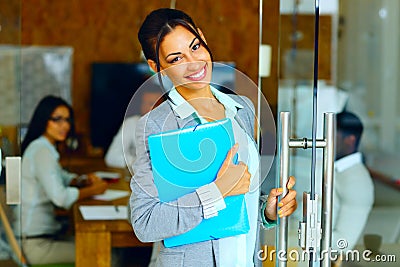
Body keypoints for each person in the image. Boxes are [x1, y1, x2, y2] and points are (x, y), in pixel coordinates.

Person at [129, 8, 297, 266]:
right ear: (156, 67)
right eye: (176, 59)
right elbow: (145, 223)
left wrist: (266, 210)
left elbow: (241, 198)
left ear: (203, 37)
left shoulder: (241, 108)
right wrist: (217, 191)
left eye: (195, 47)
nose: (193, 63)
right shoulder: (156, 125)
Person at [15, 95, 108, 265]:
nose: (64, 125)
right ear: (44, 120)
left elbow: (58, 176)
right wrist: (94, 190)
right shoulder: (41, 151)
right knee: (106, 253)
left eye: (67, 120)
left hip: (39, 238)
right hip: (37, 245)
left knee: (99, 245)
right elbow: (61, 198)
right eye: (57, 119)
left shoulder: (42, 147)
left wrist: (80, 180)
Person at [332, 110, 374, 251]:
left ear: (350, 140)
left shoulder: (358, 182)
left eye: (332, 135)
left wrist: (298, 235)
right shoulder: (337, 171)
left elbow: (343, 245)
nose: (325, 139)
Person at [105, 88, 162, 172]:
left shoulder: (175, 125)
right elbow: (111, 157)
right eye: (144, 103)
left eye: (151, 103)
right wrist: (138, 162)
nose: (146, 107)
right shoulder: (131, 123)